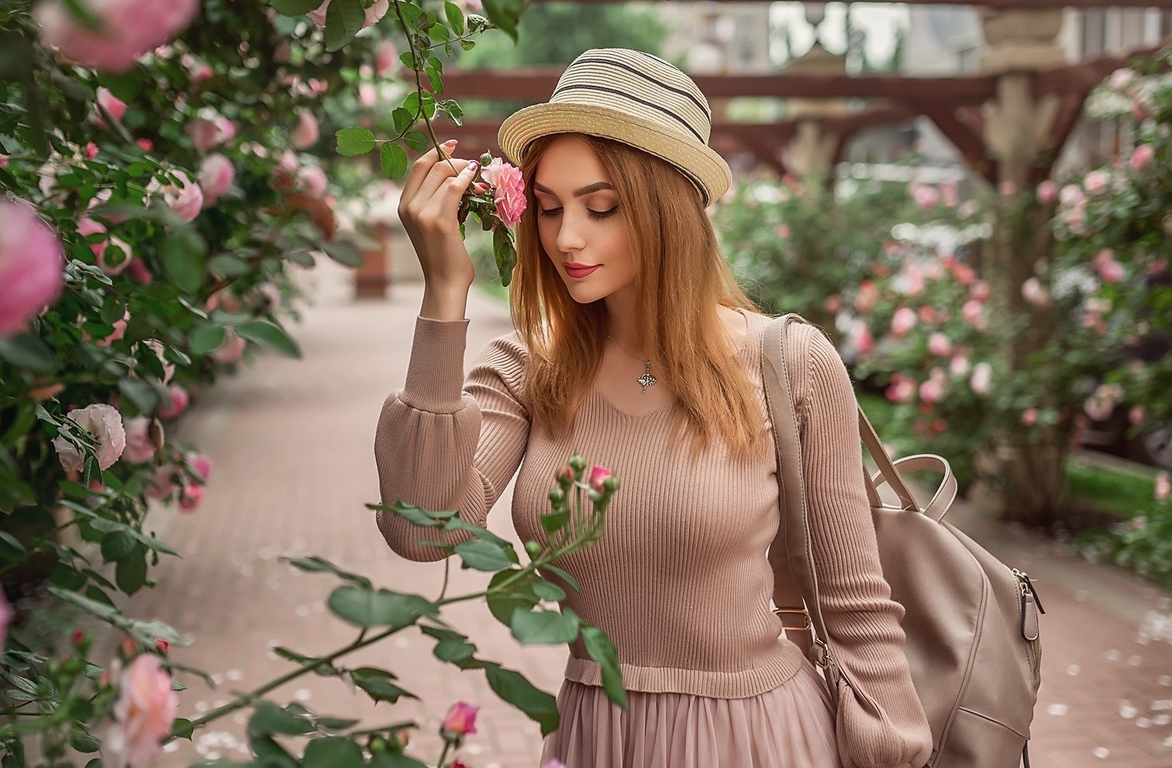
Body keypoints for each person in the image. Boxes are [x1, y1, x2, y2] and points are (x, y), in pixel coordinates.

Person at [373, 48, 931, 768]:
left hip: (758, 742)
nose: (566, 237)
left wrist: (895, 751)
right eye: (548, 208)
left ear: (670, 209)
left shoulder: (788, 364)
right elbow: (424, 531)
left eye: (600, 207)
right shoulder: (528, 369)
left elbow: (856, 604)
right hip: (596, 741)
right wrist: (445, 295)